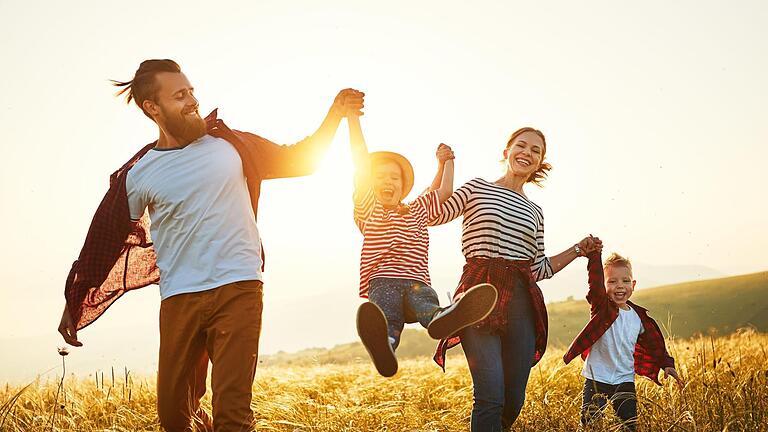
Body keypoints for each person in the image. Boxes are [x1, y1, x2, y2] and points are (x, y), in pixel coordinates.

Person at [56, 59, 364, 432]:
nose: (193, 101)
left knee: (232, 413)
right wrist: (76, 300)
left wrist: (334, 113)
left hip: (238, 288)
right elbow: (104, 240)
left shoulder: (230, 145)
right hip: (179, 298)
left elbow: (300, 159)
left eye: (191, 91)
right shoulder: (139, 173)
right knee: (174, 417)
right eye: (180, 95)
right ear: (153, 108)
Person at [430, 127, 600, 431]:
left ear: (539, 163)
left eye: (536, 151)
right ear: (506, 152)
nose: (527, 153)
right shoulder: (477, 188)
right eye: (521, 146)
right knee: (489, 396)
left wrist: (578, 250)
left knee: (513, 400)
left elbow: (539, 269)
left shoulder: (536, 211)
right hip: (478, 296)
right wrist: (445, 165)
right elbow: (436, 214)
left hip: (521, 301)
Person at [348, 113, 497, 377]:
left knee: (427, 306)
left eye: (394, 178)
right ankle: (386, 347)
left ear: (403, 187)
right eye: (380, 177)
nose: (388, 181)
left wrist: (447, 163)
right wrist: (353, 120)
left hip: (418, 282)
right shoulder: (368, 209)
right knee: (387, 319)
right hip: (383, 281)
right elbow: (360, 160)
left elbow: (443, 191)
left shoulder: (417, 210)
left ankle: (442, 319)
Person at [564, 249, 683, 431]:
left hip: (624, 379)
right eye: (612, 281)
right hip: (597, 378)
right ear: (603, 287)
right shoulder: (601, 308)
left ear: (633, 285)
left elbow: (655, 344)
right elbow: (594, 281)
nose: (620, 286)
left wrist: (666, 363)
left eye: (625, 281)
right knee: (590, 425)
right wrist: (595, 255)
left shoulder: (638, 317)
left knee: (629, 426)